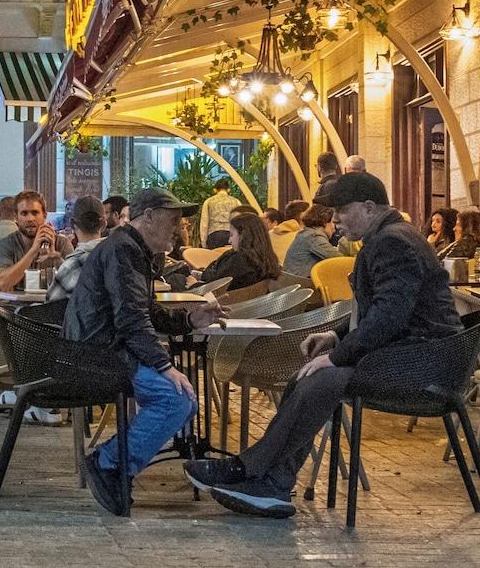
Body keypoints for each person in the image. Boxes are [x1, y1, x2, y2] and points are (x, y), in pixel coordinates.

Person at [188, 172, 463, 517]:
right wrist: (336, 337)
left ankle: (252, 471)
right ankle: (271, 484)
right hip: (414, 356)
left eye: (341, 210)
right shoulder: (391, 237)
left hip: (424, 366)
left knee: (323, 378)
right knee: (307, 376)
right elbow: (385, 314)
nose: (334, 220)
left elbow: (389, 318)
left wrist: (336, 356)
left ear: (368, 207)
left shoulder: (393, 242)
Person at [63, 187, 222, 514]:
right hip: (96, 357)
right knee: (176, 398)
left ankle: (115, 465)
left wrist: (190, 319)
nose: (178, 228)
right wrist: (165, 366)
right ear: (148, 217)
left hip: (98, 351)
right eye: (173, 219)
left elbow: (143, 312)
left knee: (182, 400)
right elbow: (131, 319)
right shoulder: (124, 251)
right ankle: (108, 463)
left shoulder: (130, 247)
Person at [0, 190, 67, 292]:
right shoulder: (5, 244)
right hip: (16, 306)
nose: (30, 219)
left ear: (44, 215)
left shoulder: (62, 243)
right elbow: (2, 283)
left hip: (53, 305)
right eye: (24, 213)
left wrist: (56, 257)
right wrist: (33, 251)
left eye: (35, 213)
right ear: (16, 217)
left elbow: (76, 284)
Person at [200, 209, 280, 292]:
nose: (229, 241)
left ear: (243, 235)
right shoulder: (266, 259)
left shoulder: (239, 261)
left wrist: (194, 284)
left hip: (224, 302)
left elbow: (215, 285)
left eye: (232, 235)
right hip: (250, 303)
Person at [46, 196, 108, 303]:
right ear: (103, 224)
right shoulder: (119, 257)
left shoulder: (72, 266)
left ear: (72, 224)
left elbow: (49, 307)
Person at [281, 202, 341, 284]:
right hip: (301, 287)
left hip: (290, 284)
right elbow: (339, 259)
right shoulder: (314, 237)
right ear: (325, 221)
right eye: (333, 223)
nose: (335, 228)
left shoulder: (307, 234)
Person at [199, 177, 242, 245]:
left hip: (214, 236)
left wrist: (203, 242)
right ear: (228, 190)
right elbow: (240, 221)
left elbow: (204, 224)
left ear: (215, 190)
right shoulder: (236, 201)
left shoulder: (208, 202)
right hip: (231, 235)